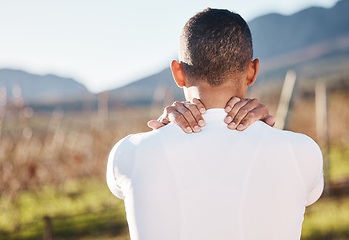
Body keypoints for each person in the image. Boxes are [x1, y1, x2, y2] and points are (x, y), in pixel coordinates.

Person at [107, 8, 323, 240]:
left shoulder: (128, 154)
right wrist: (271, 136)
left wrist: (159, 133)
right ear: (252, 71)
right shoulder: (303, 152)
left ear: (178, 73)